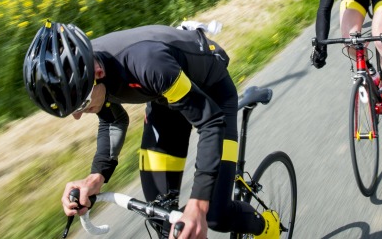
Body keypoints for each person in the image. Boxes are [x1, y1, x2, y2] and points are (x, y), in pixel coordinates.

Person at [23, 21, 279, 239]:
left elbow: (210, 122)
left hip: (212, 96)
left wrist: (198, 205)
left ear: (98, 72)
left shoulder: (147, 63)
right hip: (167, 99)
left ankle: (269, 227)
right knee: (160, 212)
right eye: (72, 112)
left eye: (82, 105)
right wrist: (95, 178)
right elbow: (113, 120)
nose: (79, 116)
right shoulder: (85, 70)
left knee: (213, 213)